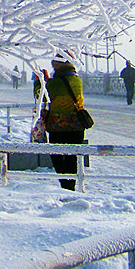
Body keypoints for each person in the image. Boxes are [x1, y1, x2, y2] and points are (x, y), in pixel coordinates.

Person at [44, 56, 87, 190]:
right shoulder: (77, 80)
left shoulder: (55, 83)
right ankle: (71, 185)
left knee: (57, 156)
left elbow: (44, 94)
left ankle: (66, 186)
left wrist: (41, 81)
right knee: (72, 158)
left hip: (59, 126)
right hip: (77, 127)